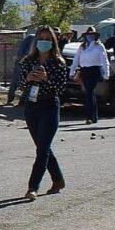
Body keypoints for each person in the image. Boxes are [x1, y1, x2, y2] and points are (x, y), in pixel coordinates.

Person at [17, 25, 68, 201]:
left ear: (53, 42)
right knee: (42, 146)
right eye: (41, 39)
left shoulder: (59, 63)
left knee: (43, 148)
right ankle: (58, 179)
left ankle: (33, 187)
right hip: (32, 106)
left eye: (47, 39)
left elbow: (61, 88)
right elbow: (21, 85)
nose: (44, 42)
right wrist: (28, 78)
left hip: (49, 105)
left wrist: (46, 78)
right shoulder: (27, 61)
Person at [70, 26, 110, 125]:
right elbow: (76, 59)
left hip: (95, 70)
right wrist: (72, 72)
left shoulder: (99, 46)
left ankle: (89, 117)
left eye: (92, 34)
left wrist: (106, 73)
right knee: (89, 93)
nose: (90, 36)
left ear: (95, 36)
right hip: (84, 71)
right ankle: (94, 116)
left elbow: (104, 60)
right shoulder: (82, 46)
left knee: (89, 91)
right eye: (88, 34)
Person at [6, 31, 35, 105]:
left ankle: (20, 100)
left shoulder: (34, 38)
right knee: (17, 80)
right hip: (23, 61)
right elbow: (23, 51)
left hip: (26, 61)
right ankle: (12, 99)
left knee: (25, 81)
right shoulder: (32, 37)